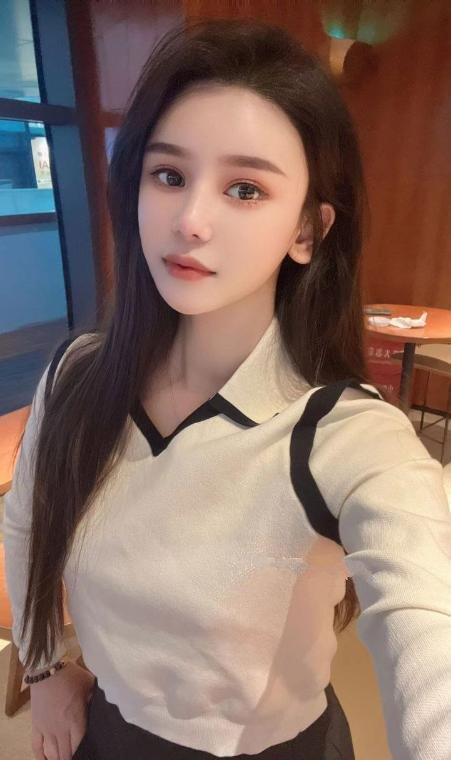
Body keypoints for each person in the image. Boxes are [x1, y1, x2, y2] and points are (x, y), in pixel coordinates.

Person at [3, 17, 451, 760]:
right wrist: (44, 667)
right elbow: (27, 525)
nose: (190, 220)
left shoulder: (341, 436)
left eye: (245, 188)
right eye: (168, 175)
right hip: (108, 735)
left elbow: (428, 618)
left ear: (306, 230)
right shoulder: (79, 374)